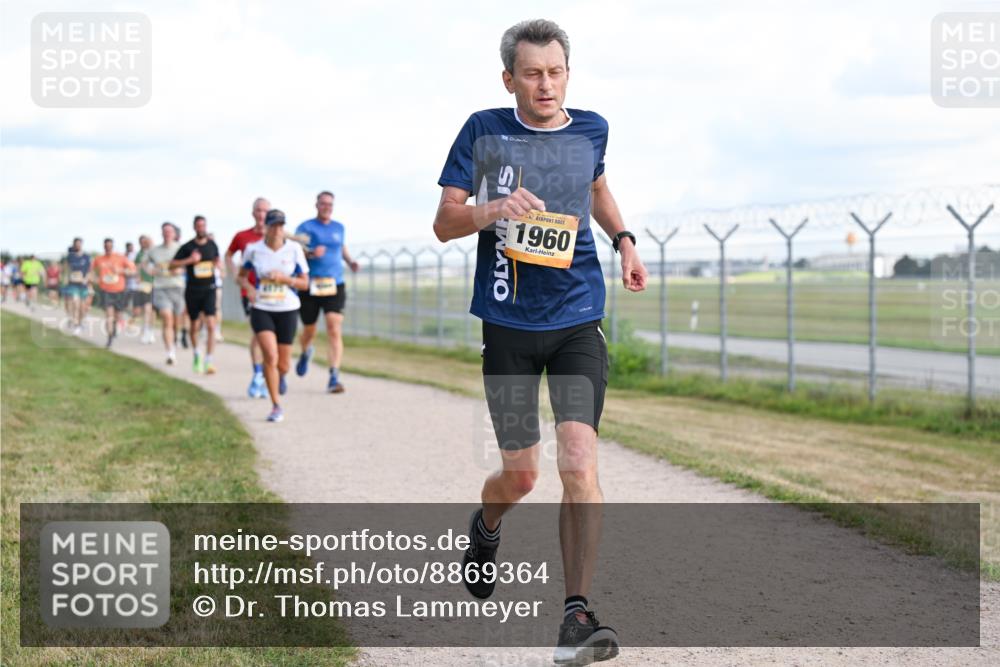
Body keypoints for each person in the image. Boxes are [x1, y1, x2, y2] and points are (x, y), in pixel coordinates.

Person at [432, 19, 648, 666]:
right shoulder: (483, 130)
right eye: (532, 73)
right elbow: (444, 222)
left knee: (579, 462)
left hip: (579, 314)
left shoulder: (592, 128)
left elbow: (597, 186)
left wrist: (624, 239)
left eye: (555, 72)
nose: (545, 84)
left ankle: (576, 614)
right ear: (510, 79)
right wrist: (491, 211)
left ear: (567, 75)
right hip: (508, 324)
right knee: (521, 473)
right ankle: (486, 526)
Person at [238, 209, 309, 423]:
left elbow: (305, 283)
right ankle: (276, 405)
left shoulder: (294, 249)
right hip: (262, 307)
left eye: (281, 225)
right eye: (274, 225)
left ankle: (282, 376)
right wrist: (249, 288)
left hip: (287, 308)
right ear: (266, 227)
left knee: (283, 364)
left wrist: (285, 279)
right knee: (270, 355)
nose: (278, 229)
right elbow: (241, 276)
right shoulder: (254, 250)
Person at [293, 191, 359, 392]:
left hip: (334, 284)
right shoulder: (305, 227)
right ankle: (306, 352)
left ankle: (334, 376)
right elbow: (295, 251)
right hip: (311, 285)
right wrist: (311, 253)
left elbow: (341, 248)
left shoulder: (339, 227)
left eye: (330, 204)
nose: (327, 207)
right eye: (323, 203)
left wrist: (350, 261)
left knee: (333, 326)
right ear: (317, 205)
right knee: (309, 330)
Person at [226, 197, 269, 398]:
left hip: (274, 292)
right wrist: (236, 275)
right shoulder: (242, 236)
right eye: (259, 211)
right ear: (253, 213)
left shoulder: (277, 236)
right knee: (259, 334)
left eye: (265, 211)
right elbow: (228, 255)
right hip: (250, 291)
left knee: (273, 338)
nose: (262, 215)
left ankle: (269, 374)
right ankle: (258, 375)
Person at [171, 216, 221, 374]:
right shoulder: (187, 247)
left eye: (203, 225)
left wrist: (218, 265)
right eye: (198, 226)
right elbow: (172, 265)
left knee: (211, 325)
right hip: (193, 290)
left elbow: (216, 259)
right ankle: (197, 355)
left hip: (209, 289)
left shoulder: (212, 245)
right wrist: (189, 260)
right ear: (194, 228)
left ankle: (209, 361)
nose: (201, 228)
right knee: (195, 325)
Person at [148, 223, 186, 364]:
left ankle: (175, 342)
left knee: (176, 322)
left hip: (177, 288)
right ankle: (170, 353)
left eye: (170, 231)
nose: (167, 234)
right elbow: (145, 264)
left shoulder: (181, 248)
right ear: (161, 233)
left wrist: (181, 270)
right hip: (160, 287)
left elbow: (188, 265)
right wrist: (150, 270)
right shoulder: (155, 251)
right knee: (166, 317)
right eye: (164, 231)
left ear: (174, 233)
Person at [91, 238, 137, 348]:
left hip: (119, 290)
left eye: (110, 246)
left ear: (112, 246)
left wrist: (120, 271)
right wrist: (95, 279)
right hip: (105, 290)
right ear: (104, 247)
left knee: (117, 315)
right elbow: (91, 271)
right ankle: (110, 338)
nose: (108, 248)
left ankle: (115, 327)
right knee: (109, 315)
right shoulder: (99, 259)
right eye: (106, 246)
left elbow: (133, 271)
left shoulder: (120, 258)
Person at [62, 238, 92, 333]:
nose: (78, 245)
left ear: (81, 244)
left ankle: (80, 322)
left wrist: (85, 279)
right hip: (72, 284)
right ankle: (76, 324)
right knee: (75, 303)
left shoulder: (86, 257)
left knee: (83, 307)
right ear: (74, 245)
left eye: (79, 244)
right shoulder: (70, 257)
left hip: (83, 285)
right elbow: (66, 269)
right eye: (76, 244)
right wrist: (66, 278)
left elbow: (89, 271)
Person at [133, 235, 156, 344]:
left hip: (156, 284)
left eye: (146, 242)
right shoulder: (140, 254)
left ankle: (150, 330)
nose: (144, 244)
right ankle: (146, 330)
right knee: (146, 308)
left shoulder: (156, 253)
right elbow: (137, 267)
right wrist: (137, 277)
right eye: (142, 242)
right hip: (145, 284)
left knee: (152, 310)